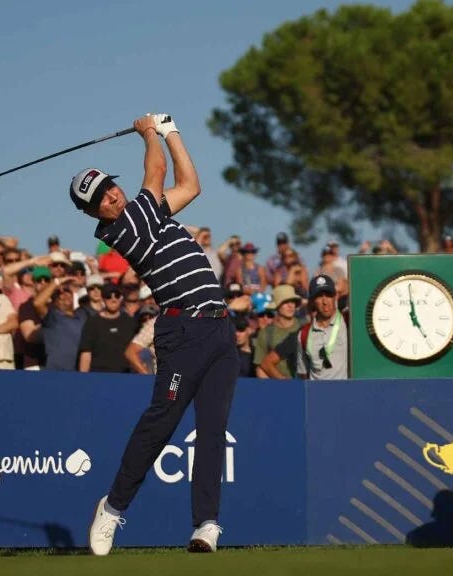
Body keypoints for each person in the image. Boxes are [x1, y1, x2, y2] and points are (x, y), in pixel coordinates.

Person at [75, 114, 236, 555]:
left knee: (212, 430)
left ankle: (206, 524)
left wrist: (171, 131)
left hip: (220, 328)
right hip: (183, 331)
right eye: (102, 197)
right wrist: (148, 131)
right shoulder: (125, 226)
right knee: (160, 424)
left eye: (110, 185)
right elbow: (159, 172)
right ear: (94, 213)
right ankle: (112, 508)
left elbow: (190, 185)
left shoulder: (151, 214)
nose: (112, 194)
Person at [296, 274, 348, 379]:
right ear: (312, 301)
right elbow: (303, 373)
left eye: (328, 295)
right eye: (319, 296)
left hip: (345, 393)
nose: (325, 302)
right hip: (317, 394)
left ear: (335, 296)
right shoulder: (303, 334)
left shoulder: (348, 322)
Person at [78, 283, 137, 373]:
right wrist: (83, 379)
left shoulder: (130, 322)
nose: (113, 299)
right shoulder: (92, 322)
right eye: (108, 296)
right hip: (99, 375)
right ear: (103, 299)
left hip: (125, 375)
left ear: (120, 298)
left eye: (116, 296)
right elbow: (86, 353)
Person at [253, 284, 302, 378]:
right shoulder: (265, 334)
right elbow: (260, 368)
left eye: (293, 301)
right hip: (276, 388)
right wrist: (277, 385)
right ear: (277, 305)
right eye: (285, 302)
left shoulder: (304, 327)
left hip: (305, 387)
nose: (290, 305)